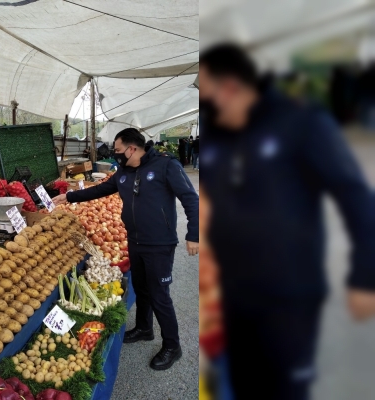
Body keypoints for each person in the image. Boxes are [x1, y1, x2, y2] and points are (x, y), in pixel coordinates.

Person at [200, 44, 375, 400]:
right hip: (232, 294)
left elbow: (355, 196)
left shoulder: (303, 123)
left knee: (286, 388)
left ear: (230, 87)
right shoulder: (215, 135)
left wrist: (365, 278)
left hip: (289, 295)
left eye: (205, 91)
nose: (202, 102)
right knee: (244, 382)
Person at [52, 128, 199, 371]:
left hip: (159, 243)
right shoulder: (123, 172)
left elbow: (190, 198)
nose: (115, 154)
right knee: (141, 288)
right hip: (135, 241)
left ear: (131, 149)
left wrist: (194, 234)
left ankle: (173, 346)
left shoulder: (166, 165)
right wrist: (69, 197)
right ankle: (144, 328)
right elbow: (99, 190)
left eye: (118, 150)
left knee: (160, 295)